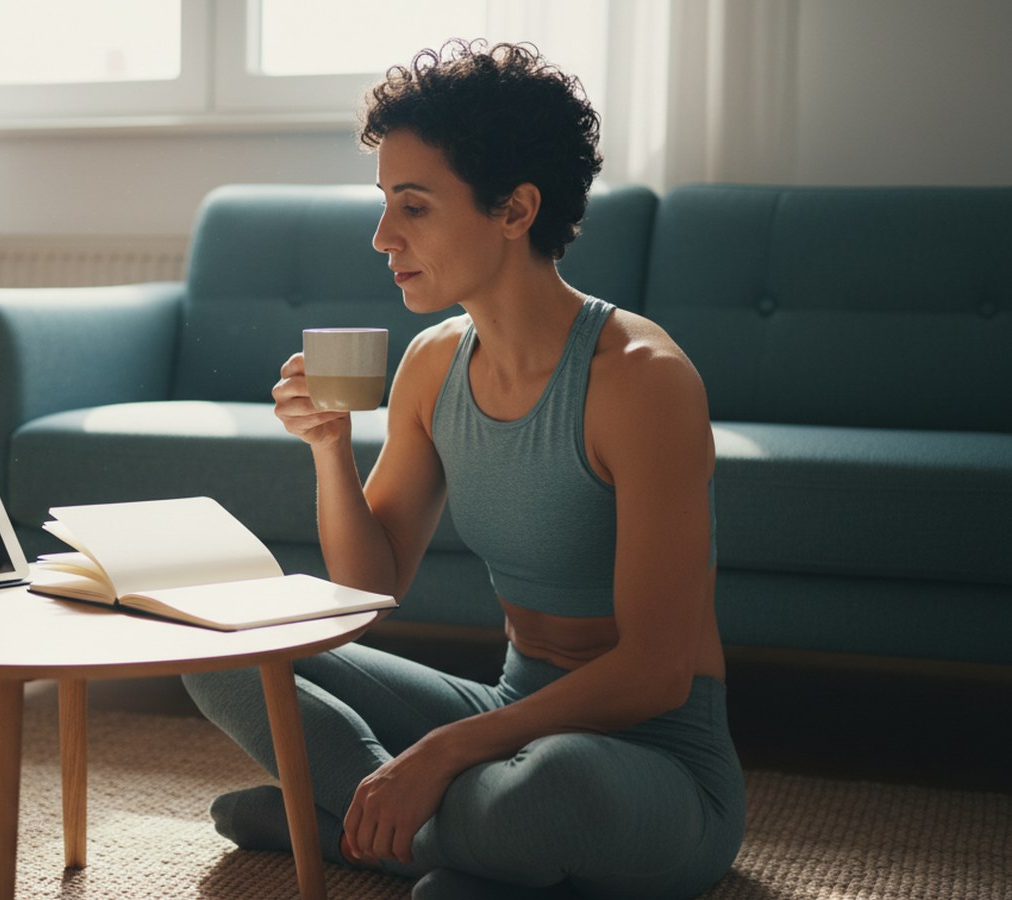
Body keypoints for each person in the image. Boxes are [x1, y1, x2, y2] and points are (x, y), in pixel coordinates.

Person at [181, 40, 745, 900]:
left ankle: (352, 824)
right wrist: (330, 448)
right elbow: (369, 587)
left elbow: (658, 671)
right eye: (384, 204)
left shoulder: (642, 380)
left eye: (414, 206)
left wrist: (438, 755)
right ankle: (426, 837)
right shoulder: (434, 363)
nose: (382, 237)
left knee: (542, 792)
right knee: (222, 652)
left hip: (653, 758)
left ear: (515, 209)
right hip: (508, 714)